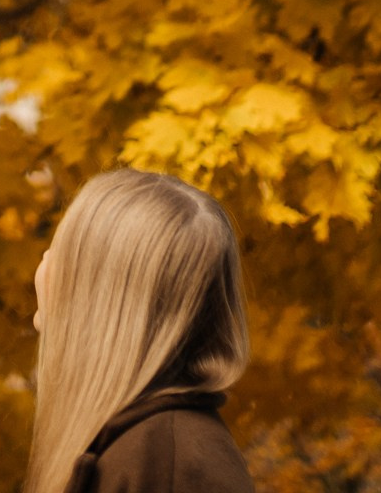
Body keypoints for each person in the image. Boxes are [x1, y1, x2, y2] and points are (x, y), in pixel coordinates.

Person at [24, 170, 256, 493]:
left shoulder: (170, 468)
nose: (45, 263)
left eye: (66, 252)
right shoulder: (143, 448)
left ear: (102, 298)